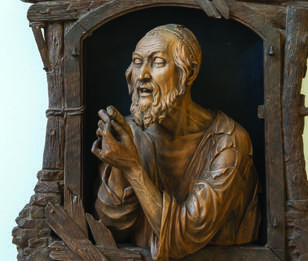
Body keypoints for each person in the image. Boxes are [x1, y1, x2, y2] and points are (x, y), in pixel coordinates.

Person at [92, 24, 260, 261]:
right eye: (138, 62)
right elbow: (112, 229)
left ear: (188, 73)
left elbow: (187, 235)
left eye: (158, 62)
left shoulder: (229, 141)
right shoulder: (128, 133)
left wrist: (132, 167)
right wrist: (119, 165)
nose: (142, 75)